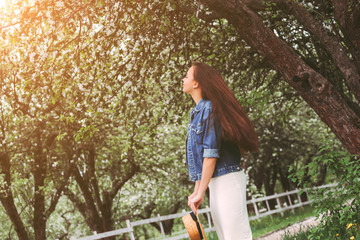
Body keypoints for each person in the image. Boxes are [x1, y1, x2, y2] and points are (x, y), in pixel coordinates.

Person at [182, 62, 258, 240]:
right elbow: (200, 158)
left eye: (187, 76)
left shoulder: (209, 109)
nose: (183, 79)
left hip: (227, 178)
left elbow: (210, 155)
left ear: (196, 83)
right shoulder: (196, 113)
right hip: (214, 182)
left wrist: (201, 192)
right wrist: (197, 190)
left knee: (236, 236)